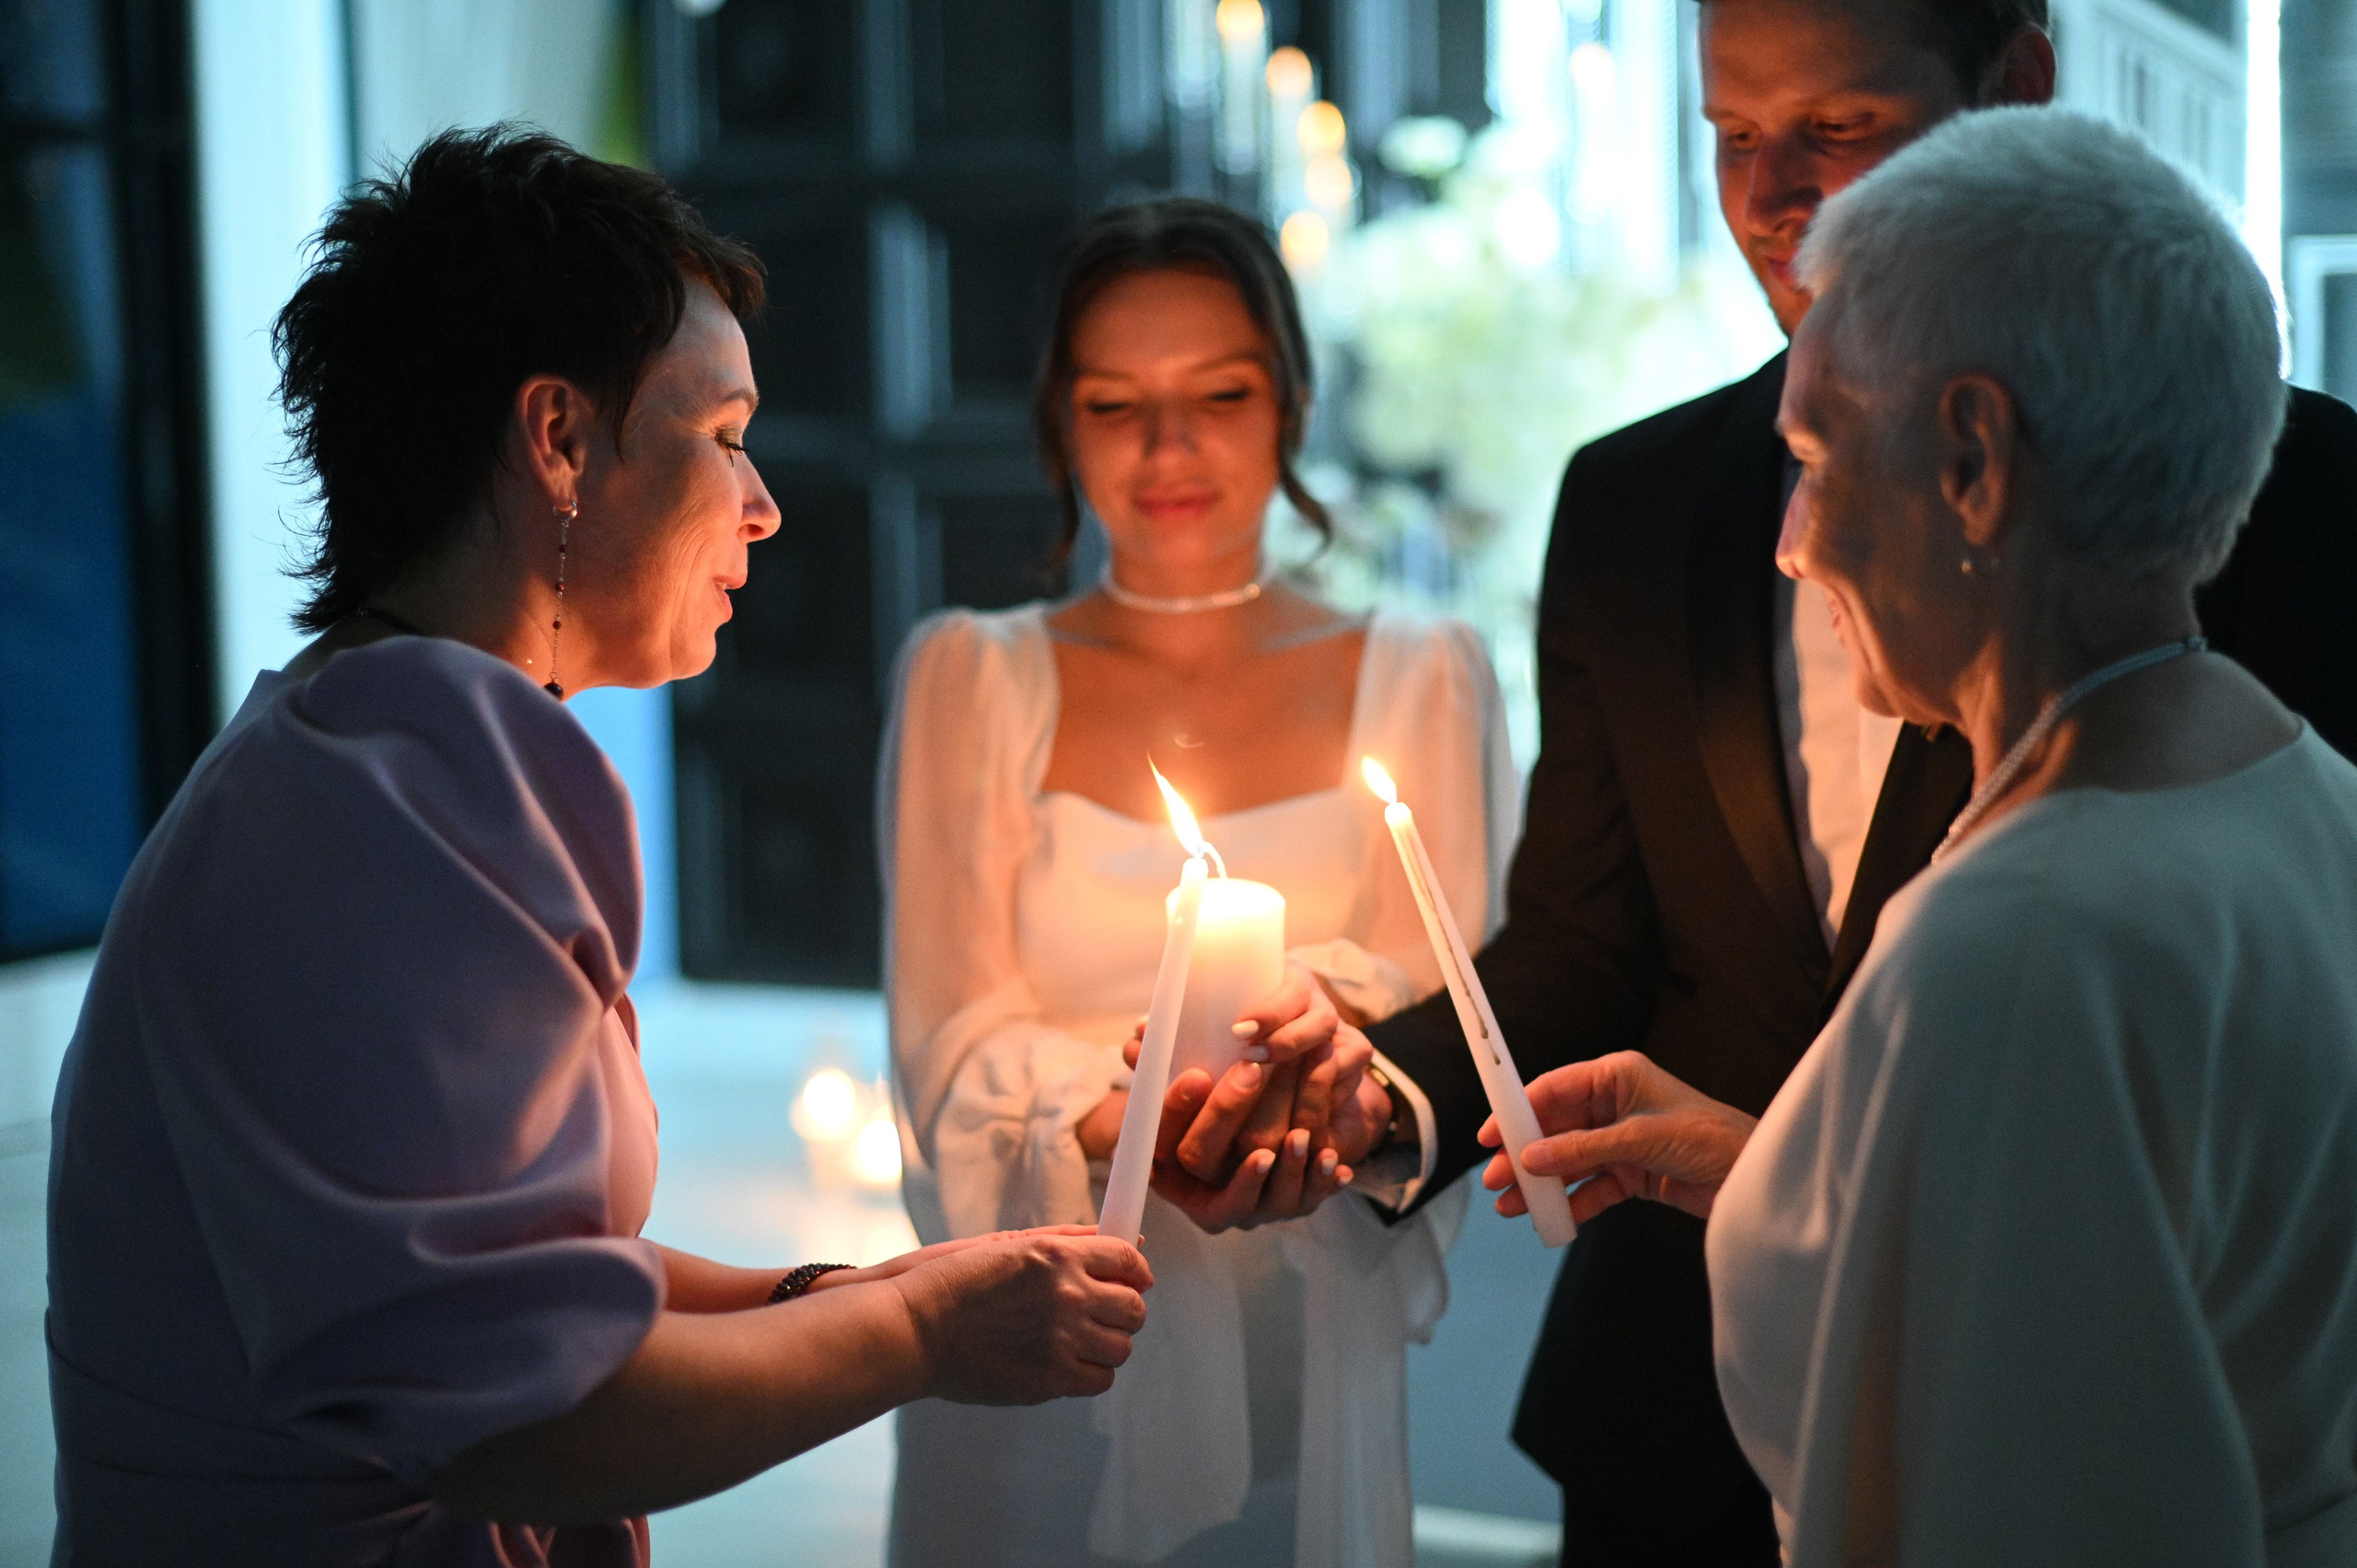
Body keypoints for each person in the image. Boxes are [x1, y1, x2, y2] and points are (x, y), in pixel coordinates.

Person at [1140, 1, 2357, 1561]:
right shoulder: (2297, 798)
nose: (1773, 191)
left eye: (1839, 128)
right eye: (1728, 136)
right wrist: (1385, 1089)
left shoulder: (2021, 912)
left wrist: (1775, 1164)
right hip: (1668, 1412)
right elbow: (1583, 945)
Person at [44, 127, 1154, 1567]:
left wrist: (834, 1289)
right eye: (727, 436)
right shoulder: (394, 791)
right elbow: (522, 1410)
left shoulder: (357, 744)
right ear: (559, 437)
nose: (763, 506)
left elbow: (523, 1274)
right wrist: (919, 1327)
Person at [1485, 105, 2357, 1566]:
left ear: (1971, 458)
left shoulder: (2019, 935)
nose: (1791, 539)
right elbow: (2118, 1289)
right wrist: (1779, 1165)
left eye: (1818, 458)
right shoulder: (2305, 794)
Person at [880, 197, 1520, 1568]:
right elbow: (946, 1046)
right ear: (1062, 421)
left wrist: (1308, 1078)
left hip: (1306, 1320)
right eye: (1117, 406)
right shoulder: (971, 678)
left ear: (1288, 399)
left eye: (1218, 395)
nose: (1170, 450)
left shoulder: (1425, 673)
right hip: (1033, 1326)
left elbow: (1444, 1002)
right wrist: (1126, 1124)